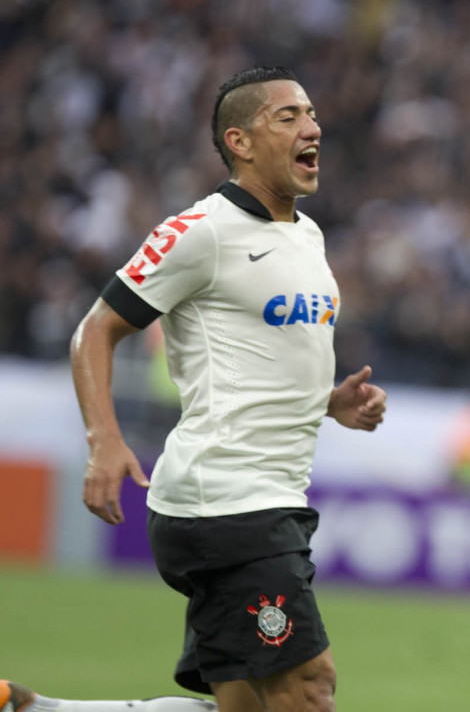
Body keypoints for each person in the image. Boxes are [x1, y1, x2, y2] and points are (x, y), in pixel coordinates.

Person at [5, 67, 387, 712]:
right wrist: (104, 440)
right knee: (307, 686)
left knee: (246, 705)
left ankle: (35, 710)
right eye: (287, 117)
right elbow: (95, 330)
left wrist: (329, 400)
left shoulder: (307, 234)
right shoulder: (198, 232)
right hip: (228, 503)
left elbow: (257, 358)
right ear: (239, 141)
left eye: (312, 114)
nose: (312, 127)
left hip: (265, 500)